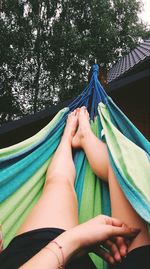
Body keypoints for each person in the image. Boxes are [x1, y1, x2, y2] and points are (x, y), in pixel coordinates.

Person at [0, 107, 149, 269]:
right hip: (42, 252)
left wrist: (73, 241)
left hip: (33, 254)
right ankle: (83, 135)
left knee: (61, 181)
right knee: (122, 165)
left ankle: (69, 138)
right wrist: (72, 241)